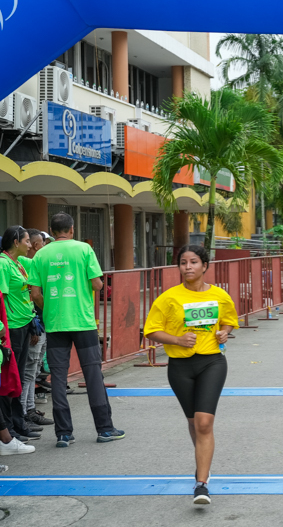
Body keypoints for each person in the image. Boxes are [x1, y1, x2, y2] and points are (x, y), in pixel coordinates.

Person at [143, 245, 238, 506]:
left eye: (194, 262)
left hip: (212, 362)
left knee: (204, 423)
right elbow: (151, 331)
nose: (188, 267)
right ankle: (203, 463)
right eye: (183, 262)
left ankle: (202, 483)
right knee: (193, 421)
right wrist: (177, 339)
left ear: (205, 265)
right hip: (180, 366)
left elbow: (229, 320)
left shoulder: (220, 295)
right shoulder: (168, 298)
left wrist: (224, 332)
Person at [27, 212, 125, 447]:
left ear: (52, 231)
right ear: (71, 229)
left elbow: (35, 293)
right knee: (93, 375)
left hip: (55, 324)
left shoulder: (41, 254)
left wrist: (49, 308)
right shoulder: (83, 250)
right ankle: (104, 429)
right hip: (83, 323)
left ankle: (63, 434)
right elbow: (97, 283)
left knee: (59, 378)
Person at [0, 226, 42, 443]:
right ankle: (8, 428)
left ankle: (19, 423)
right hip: (12, 329)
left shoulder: (19, 262)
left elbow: (40, 263)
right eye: (27, 242)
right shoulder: (3, 264)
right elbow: (1, 299)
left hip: (25, 324)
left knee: (18, 377)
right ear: (15, 242)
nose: (30, 246)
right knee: (10, 377)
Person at [20, 229, 50, 427]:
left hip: (38, 322)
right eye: (33, 243)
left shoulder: (28, 264)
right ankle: (23, 412)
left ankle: (28, 409)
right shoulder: (25, 263)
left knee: (34, 367)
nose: (37, 247)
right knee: (28, 370)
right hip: (31, 323)